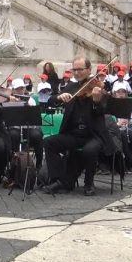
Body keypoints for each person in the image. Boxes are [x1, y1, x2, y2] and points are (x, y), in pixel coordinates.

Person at [43, 57, 114, 196]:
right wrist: (58, 98)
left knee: (89, 150)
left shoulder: (97, 88)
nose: (76, 72)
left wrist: (96, 102)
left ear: (89, 70)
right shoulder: (70, 87)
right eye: (74, 69)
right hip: (74, 134)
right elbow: (50, 100)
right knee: (49, 142)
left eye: (80, 69)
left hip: (93, 135)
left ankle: (89, 183)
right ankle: (59, 180)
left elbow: (102, 112)